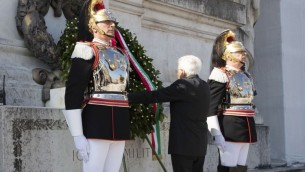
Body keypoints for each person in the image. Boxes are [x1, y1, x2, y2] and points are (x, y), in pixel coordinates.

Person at [62, 0, 130, 171]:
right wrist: (77, 135)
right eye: (106, 22)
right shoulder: (86, 50)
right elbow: (73, 93)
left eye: (113, 22)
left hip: (120, 121)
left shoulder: (121, 54)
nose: (111, 25)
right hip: (97, 121)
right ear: (93, 26)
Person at [128, 55, 211, 172]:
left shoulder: (183, 85)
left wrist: (128, 98)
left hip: (183, 145)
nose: (177, 72)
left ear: (182, 71)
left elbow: (156, 95)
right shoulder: (205, 86)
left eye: (177, 70)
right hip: (199, 144)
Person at [207, 29, 257, 172]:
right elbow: (211, 108)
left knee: (241, 168)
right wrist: (216, 134)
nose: (244, 54)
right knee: (228, 167)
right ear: (228, 55)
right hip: (230, 128)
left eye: (243, 51)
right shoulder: (220, 74)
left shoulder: (246, 75)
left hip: (246, 125)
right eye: (239, 52)